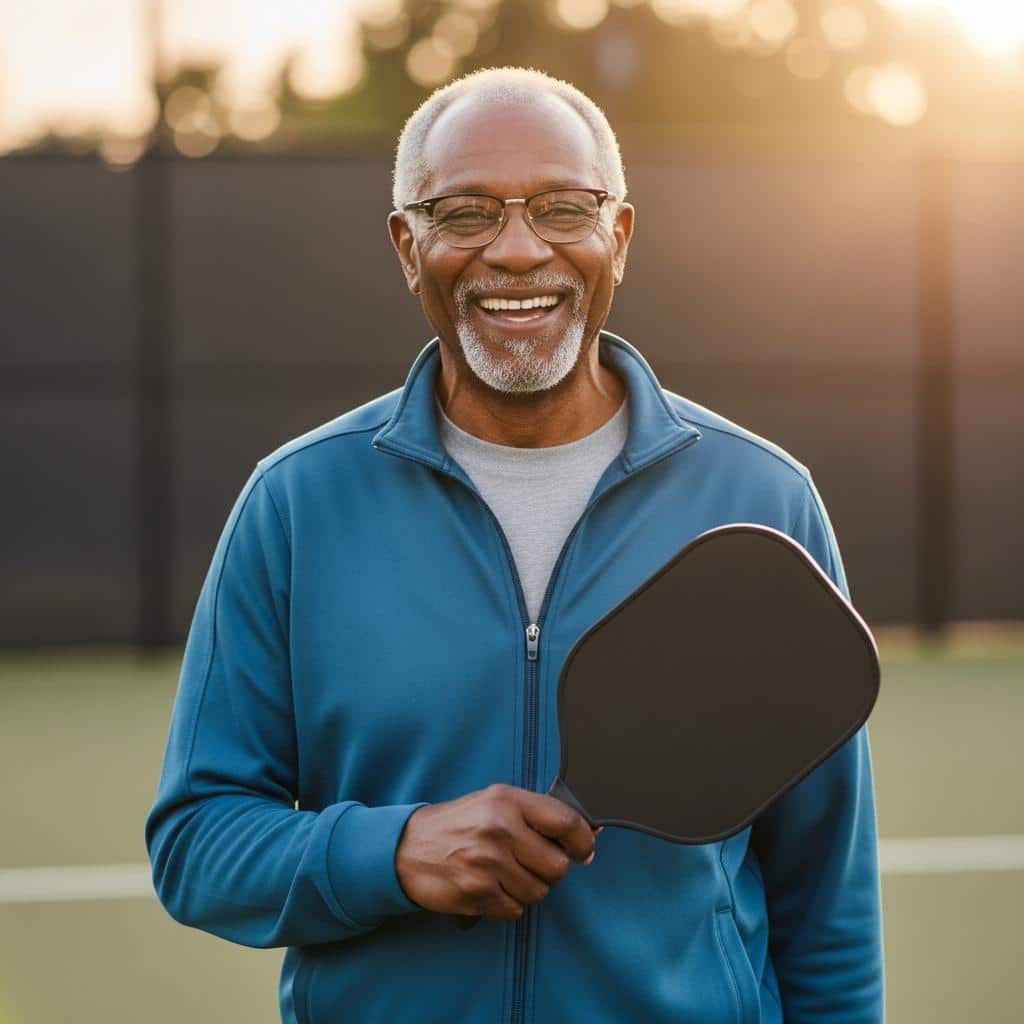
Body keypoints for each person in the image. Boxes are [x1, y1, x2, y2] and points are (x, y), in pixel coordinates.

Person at [146, 67, 883, 1023]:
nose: (519, 248)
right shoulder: (295, 504)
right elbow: (196, 844)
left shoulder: (762, 500)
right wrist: (395, 853)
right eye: (464, 213)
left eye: (563, 208)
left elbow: (825, 902)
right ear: (408, 248)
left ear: (618, 236)